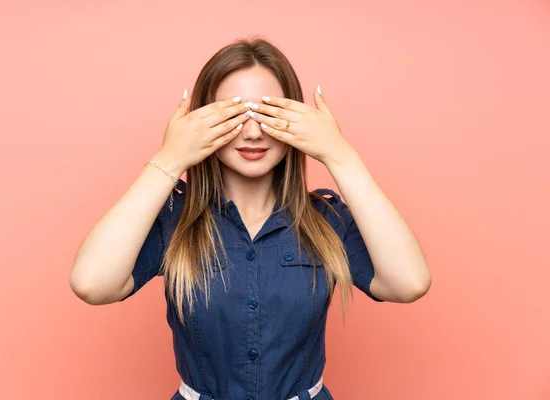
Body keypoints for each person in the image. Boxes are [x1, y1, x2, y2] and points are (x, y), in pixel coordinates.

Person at [69, 37, 431, 400]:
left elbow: (408, 283)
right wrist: (170, 157)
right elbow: (92, 283)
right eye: (234, 115)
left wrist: (340, 155)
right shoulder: (174, 219)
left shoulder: (327, 220)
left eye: (268, 114)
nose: (254, 132)